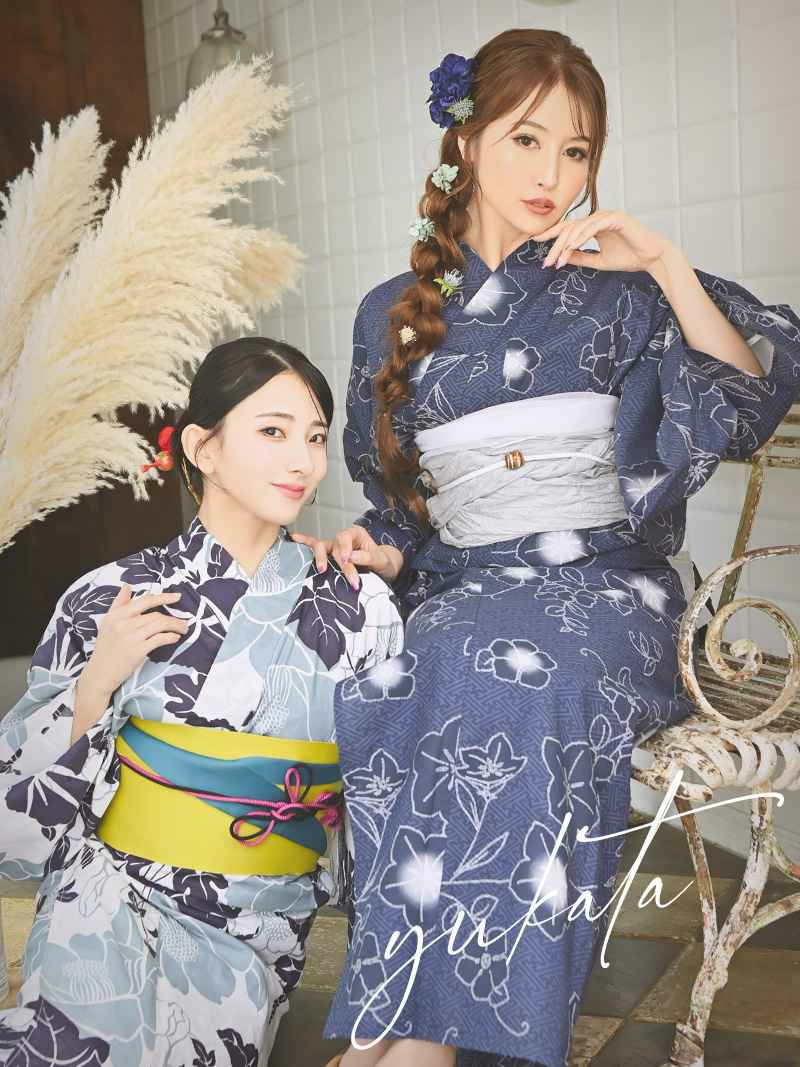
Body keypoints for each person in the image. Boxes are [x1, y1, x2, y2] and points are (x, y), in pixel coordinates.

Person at [289, 29, 800, 1067]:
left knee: (503, 664)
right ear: (466, 141)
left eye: (575, 150)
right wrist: (381, 551)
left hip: (607, 592)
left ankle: (425, 1042)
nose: (552, 175)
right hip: (468, 582)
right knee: (395, 668)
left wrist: (662, 261)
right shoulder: (389, 314)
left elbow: (747, 404)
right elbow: (403, 507)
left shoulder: (619, 286)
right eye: (526, 140)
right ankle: (397, 1018)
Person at [0, 338, 403, 1066]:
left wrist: (384, 1005)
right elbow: (16, 821)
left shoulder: (357, 603)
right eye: (273, 431)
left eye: (315, 438)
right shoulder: (107, 595)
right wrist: (97, 680)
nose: (302, 460)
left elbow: (384, 799)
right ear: (202, 447)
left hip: (257, 928)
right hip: (105, 899)